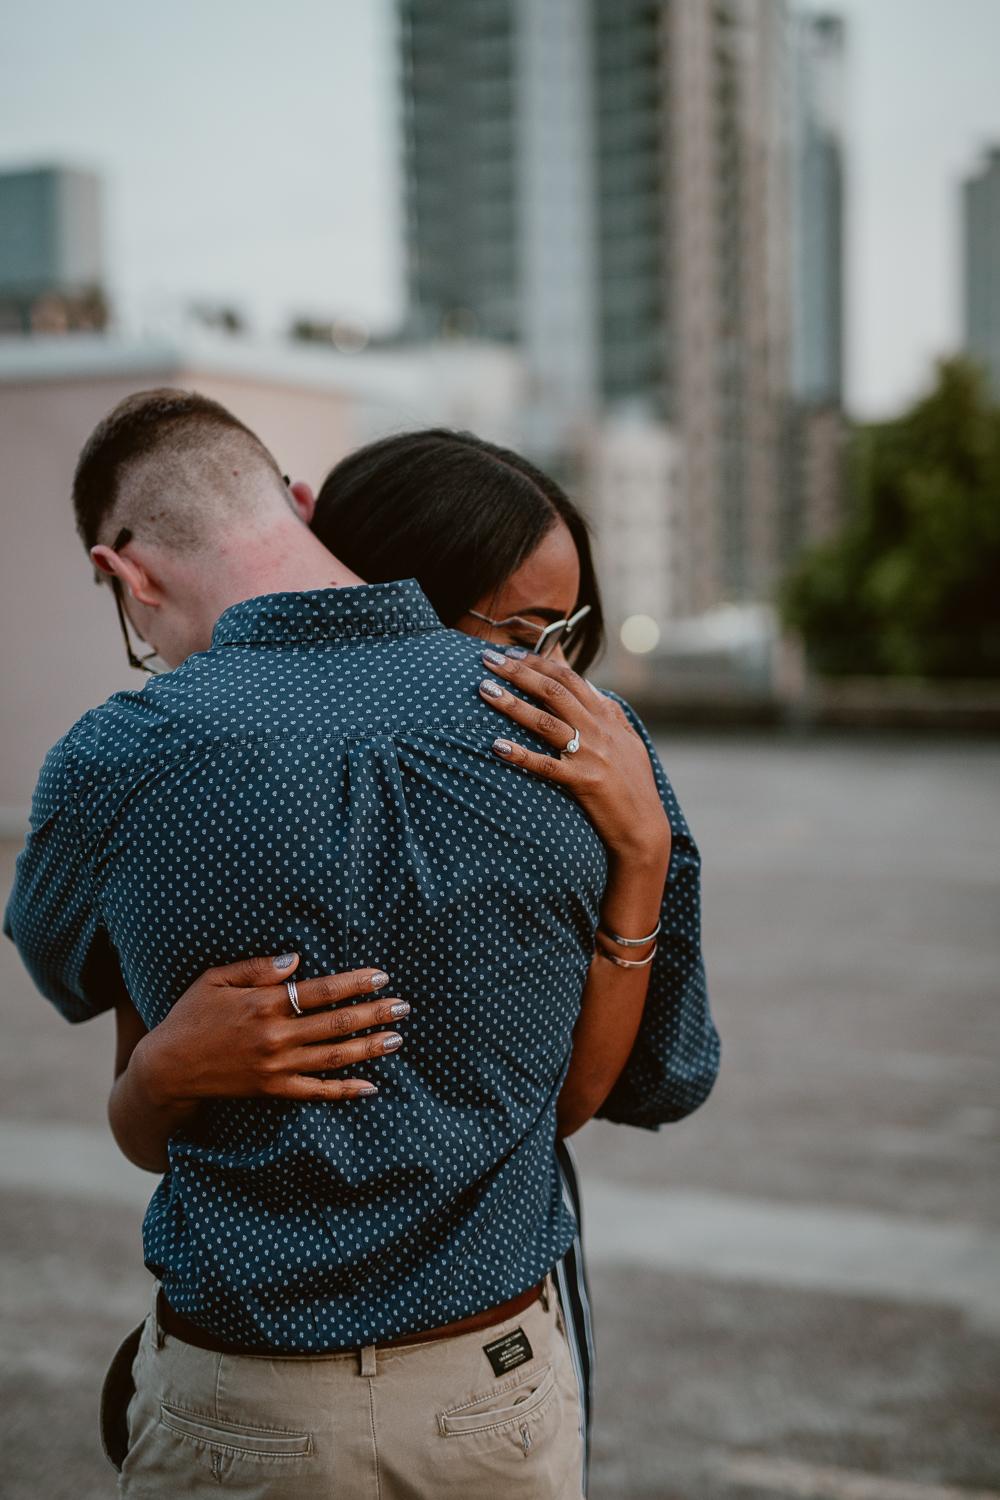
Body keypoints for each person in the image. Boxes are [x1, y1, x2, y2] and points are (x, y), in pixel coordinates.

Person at [5, 395, 717, 1498]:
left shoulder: (118, 765)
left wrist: (154, 1072)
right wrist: (647, 857)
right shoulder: (594, 752)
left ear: (129, 574)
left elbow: (69, 979)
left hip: (241, 1391)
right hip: (496, 1385)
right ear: (294, 502)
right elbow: (657, 1077)